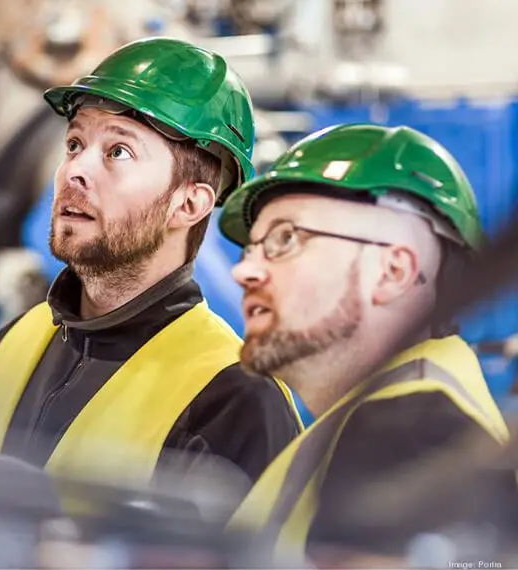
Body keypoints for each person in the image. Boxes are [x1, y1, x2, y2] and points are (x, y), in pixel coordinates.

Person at [0, 37, 302, 497]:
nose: (74, 171)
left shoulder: (235, 399)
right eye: (75, 143)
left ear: (188, 203)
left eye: (117, 152)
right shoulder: (10, 345)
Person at [219, 123, 517, 563]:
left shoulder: (412, 430)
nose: (244, 272)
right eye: (251, 250)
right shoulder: (378, 416)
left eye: (285, 239)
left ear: (393, 272)